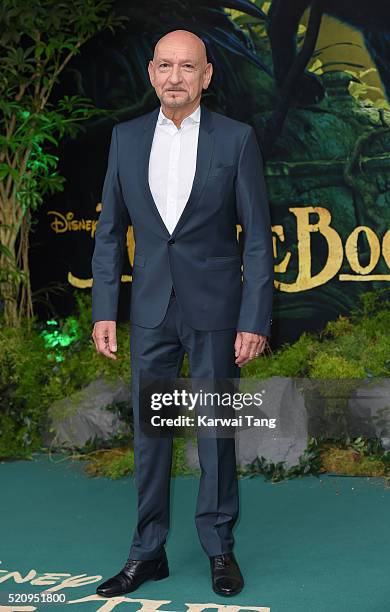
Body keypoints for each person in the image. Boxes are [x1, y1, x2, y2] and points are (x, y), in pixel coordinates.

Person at [91, 29, 273, 598]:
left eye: (187, 67)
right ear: (151, 73)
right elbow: (108, 234)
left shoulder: (237, 139)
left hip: (217, 310)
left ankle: (220, 549)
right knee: (151, 434)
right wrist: (105, 310)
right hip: (150, 308)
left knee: (216, 432)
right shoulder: (124, 138)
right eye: (166, 66)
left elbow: (257, 241)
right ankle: (148, 553)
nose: (175, 76)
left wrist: (254, 317)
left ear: (206, 76)